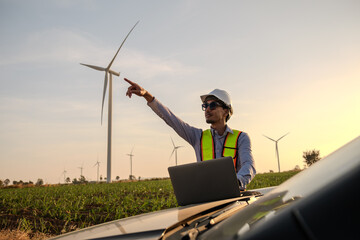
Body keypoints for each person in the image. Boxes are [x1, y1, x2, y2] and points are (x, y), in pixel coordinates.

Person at [124, 78, 256, 189]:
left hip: (234, 198)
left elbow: (248, 166)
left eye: (213, 105)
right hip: (206, 200)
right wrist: (147, 95)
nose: (207, 109)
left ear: (226, 111)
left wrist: (234, 183)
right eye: (205, 106)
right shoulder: (198, 137)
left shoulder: (241, 138)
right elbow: (171, 119)